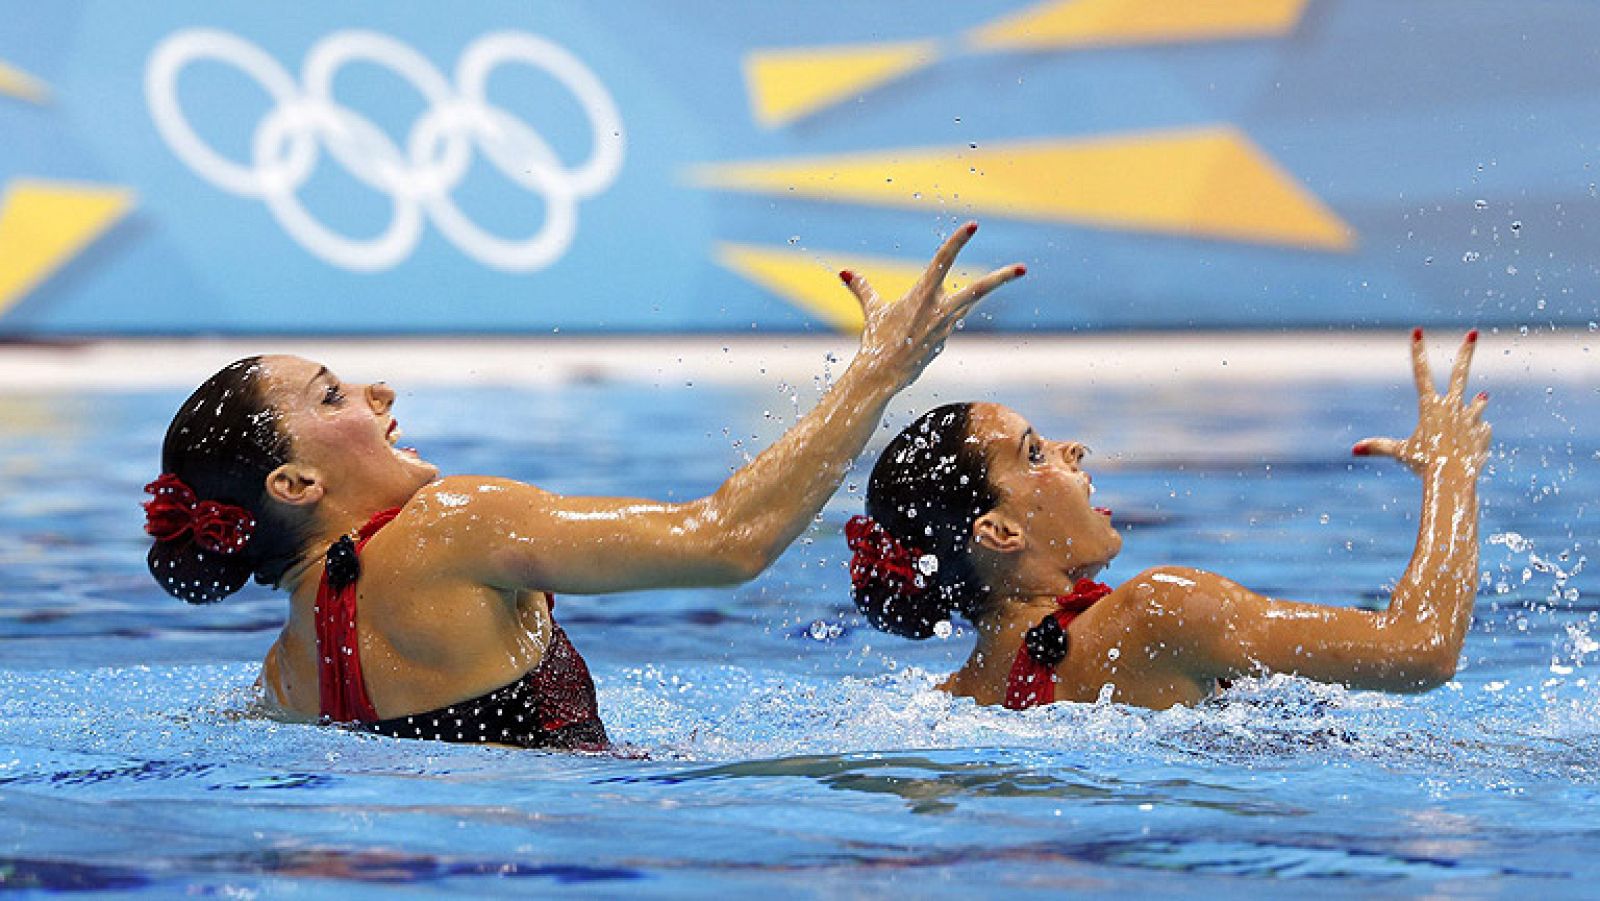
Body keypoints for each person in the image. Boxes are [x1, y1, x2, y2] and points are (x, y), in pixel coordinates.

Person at [143, 222, 1024, 748]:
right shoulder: (453, 523)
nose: (380, 393)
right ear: (295, 481)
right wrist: (877, 373)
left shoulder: (289, 673)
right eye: (333, 395)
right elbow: (724, 541)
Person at [847, 329, 1490, 710]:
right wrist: (1452, 474)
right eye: (1034, 452)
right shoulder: (1158, 612)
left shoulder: (954, 702)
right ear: (999, 532)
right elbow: (1422, 649)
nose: (1072, 451)